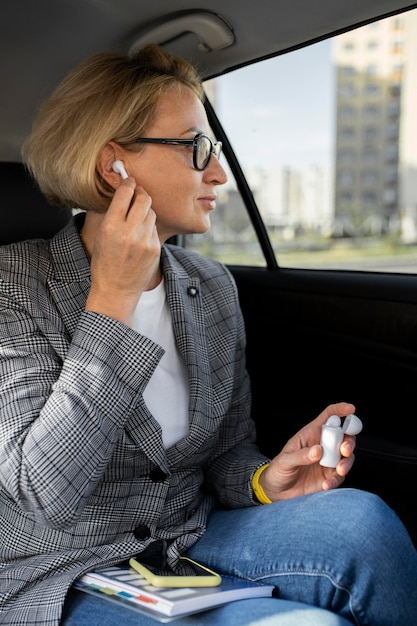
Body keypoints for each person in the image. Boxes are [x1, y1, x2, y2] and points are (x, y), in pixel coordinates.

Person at [0, 44, 416, 626]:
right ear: (112, 165)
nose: (218, 172)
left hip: (188, 537)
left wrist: (264, 479)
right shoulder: (14, 286)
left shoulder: (211, 285)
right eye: (197, 148)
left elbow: (223, 451)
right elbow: (44, 494)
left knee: (364, 525)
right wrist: (113, 302)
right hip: (62, 568)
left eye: (215, 149)